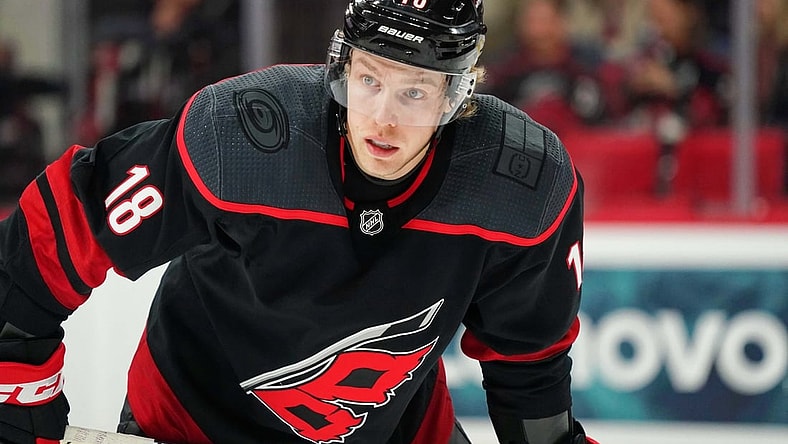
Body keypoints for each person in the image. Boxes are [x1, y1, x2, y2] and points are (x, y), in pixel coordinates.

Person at [0, 1, 595, 443]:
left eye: (414, 93)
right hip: (193, 425)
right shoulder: (239, 139)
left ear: (457, 96)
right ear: (341, 67)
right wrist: (21, 401)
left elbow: (530, 368)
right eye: (369, 80)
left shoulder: (522, 185)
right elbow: (57, 230)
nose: (382, 118)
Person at [481, 0, 608, 137]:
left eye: (544, 21)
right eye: (531, 21)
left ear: (562, 22)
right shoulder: (505, 69)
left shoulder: (587, 66)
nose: (537, 31)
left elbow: (603, 117)